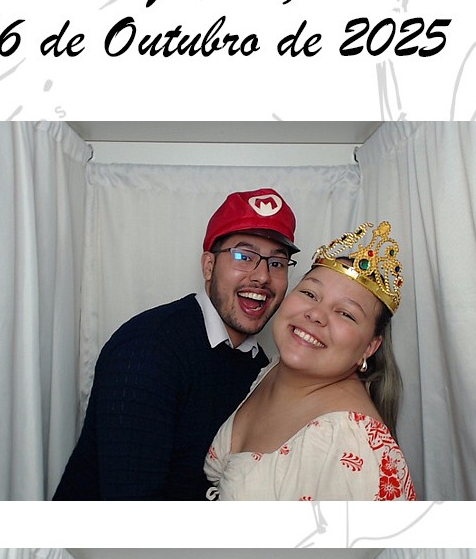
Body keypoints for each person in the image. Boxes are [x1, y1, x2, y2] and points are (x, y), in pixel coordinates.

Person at [55, 188, 297, 499]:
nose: (262, 276)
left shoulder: (261, 367)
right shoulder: (147, 349)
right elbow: (132, 505)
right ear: (208, 266)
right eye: (244, 256)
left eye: (277, 263)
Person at [205, 220, 416, 499]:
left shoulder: (352, 444)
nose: (315, 314)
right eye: (309, 293)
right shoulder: (272, 369)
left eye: (345, 313)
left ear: (370, 347)